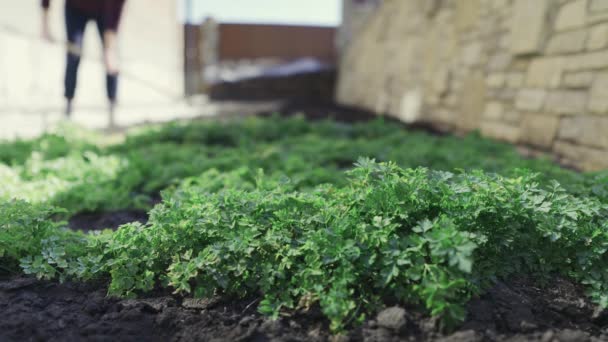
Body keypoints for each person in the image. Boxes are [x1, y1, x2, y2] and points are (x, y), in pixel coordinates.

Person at [41, 0, 126, 126]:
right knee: (73, 55)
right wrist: (45, 24)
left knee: (111, 59)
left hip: (105, 10)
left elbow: (115, 7)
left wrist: (109, 47)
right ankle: (68, 106)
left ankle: (112, 107)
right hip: (76, 7)